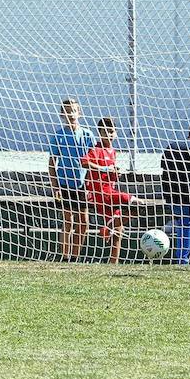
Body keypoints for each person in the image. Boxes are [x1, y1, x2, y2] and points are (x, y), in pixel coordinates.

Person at [80, 117, 142, 264]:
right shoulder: (96, 149)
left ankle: (113, 263)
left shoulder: (112, 151)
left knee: (119, 231)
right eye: (106, 131)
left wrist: (115, 173)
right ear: (100, 133)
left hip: (110, 192)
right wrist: (104, 168)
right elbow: (84, 162)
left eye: (112, 131)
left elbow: (109, 174)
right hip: (99, 194)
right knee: (134, 202)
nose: (110, 134)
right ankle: (107, 228)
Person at [48, 98, 95, 262]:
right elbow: (52, 163)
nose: (71, 114)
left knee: (84, 222)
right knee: (68, 220)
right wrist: (55, 187)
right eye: (67, 111)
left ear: (79, 113)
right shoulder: (58, 136)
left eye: (73, 110)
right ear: (62, 115)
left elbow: (93, 162)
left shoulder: (88, 135)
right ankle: (65, 256)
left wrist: (91, 184)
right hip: (64, 184)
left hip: (82, 185)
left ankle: (76, 256)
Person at [161, 125, 190, 265]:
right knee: (186, 225)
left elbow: (164, 173)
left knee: (183, 224)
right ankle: (182, 260)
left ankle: (182, 259)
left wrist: (167, 196)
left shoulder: (172, 147)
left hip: (174, 197)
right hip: (187, 197)